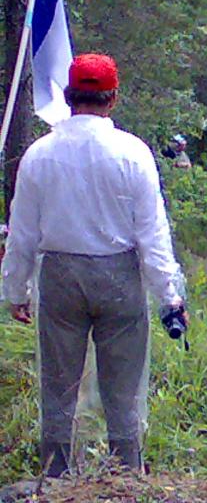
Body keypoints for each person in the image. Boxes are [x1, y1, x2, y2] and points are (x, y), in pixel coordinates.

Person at [0, 53, 187, 477]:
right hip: (119, 277)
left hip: (61, 278)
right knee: (123, 386)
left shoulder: (38, 155)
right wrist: (170, 298)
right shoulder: (133, 154)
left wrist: (16, 291)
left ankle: (57, 474)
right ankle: (126, 474)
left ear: (68, 97)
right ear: (113, 98)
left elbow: (23, 232)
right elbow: (153, 235)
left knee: (59, 383)